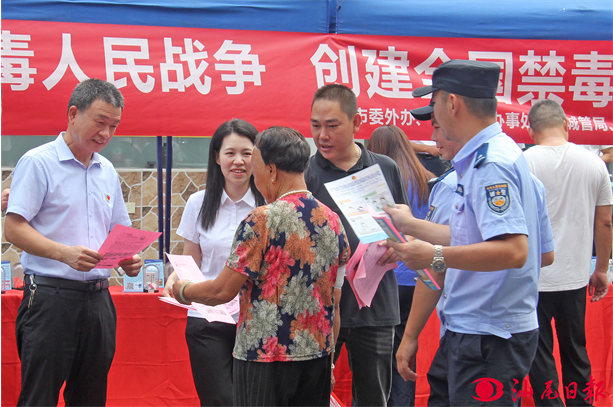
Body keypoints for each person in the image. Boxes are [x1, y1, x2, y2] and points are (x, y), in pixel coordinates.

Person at [384, 60, 555, 406]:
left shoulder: (490, 165)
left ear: (452, 103)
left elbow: (514, 251)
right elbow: (487, 239)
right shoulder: (492, 158)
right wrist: (411, 225)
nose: (433, 120)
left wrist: (433, 255)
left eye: (434, 104)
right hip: (478, 329)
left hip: (488, 335)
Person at [172, 126, 350, 407]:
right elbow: (335, 303)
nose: (253, 177)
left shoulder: (261, 220)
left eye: (254, 167)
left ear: (271, 170)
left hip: (265, 357)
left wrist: (183, 291)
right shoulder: (333, 221)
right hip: (316, 357)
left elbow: (222, 291)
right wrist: (329, 362)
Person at [4, 78, 143, 406]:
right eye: (100, 122)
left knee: (90, 397)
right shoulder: (38, 162)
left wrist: (130, 258)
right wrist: (63, 253)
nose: (106, 133)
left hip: (99, 301)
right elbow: (14, 227)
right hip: (50, 299)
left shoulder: (107, 170)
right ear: (73, 113)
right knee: (40, 396)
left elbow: (120, 230)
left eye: (113, 126)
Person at [306, 83, 409, 406]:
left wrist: (397, 244)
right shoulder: (307, 173)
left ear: (357, 122)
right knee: (312, 393)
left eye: (332, 126)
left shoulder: (384, 168)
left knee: (373, 396)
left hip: (375, 304)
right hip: (322, 305)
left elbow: (402, 226)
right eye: (315, 126)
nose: (322, 135)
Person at [162, 119, 264, 406]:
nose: (238, 161)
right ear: (217, 157)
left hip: (256, 319)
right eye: (230, 153)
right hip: (207, 317)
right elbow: (190, 261)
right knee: (219, 400)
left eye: (247, 153)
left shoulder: (268, 205)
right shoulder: (198, 202)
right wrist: (174, 278)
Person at [523, 100, 613, 406]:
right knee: (575, 349)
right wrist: (601, 268)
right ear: (566, 124)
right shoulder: (594, 164)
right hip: (575, 274)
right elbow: (605, 221)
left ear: (531, 131)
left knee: (540, 352)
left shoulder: (523, 163)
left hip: (534, 274)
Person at [367, 125, 433, 406]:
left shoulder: (376, 183)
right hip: (419, 277)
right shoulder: (427, 180)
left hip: (384, 278)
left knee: (376, 357)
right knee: (406, 354)